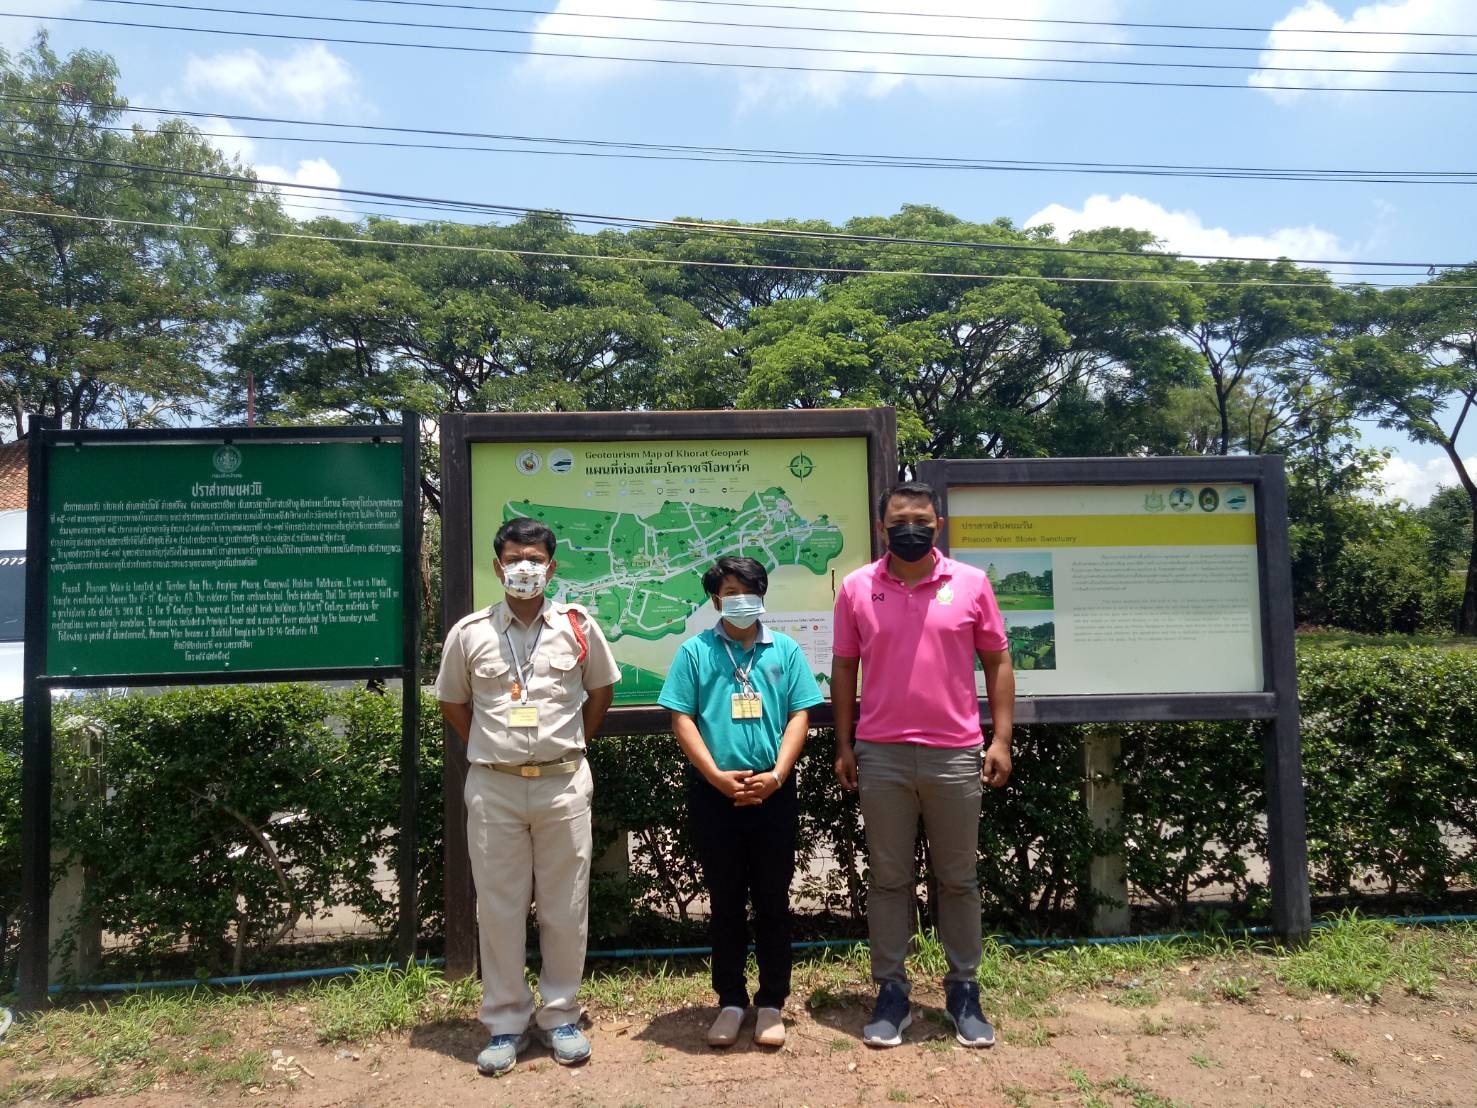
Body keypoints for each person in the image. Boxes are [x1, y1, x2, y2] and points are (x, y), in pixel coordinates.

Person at [831, 481, 1016, 1050]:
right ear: (882, 527)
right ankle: (892, 991)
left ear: (939, 524)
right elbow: (843, 668)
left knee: (957, 880)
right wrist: (844, 744)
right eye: (899, 520)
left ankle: (964, 990)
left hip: (955, 753)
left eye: (921, 519)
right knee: (889, 880)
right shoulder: (858, 588)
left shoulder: (972, 584)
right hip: (880, 755)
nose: (910, 527)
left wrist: (1001, 738)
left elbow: (998, 659)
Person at [435, 517, 620, 1077]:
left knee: (566, 907)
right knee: (499, 907)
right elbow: (453, 703)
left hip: (563, 782)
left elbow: (600, 691)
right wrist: (496, 753)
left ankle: (561, 1014)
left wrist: (567, 747)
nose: (524, 567)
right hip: (494, 786)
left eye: (535, 558)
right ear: (497, 566)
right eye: (514, 557)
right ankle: (506, 1022)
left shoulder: (577, 625)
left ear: (552, 566)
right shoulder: (469, 633)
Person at [657, 556, 823, 1049]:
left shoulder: (786, 650)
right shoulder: (694, 653)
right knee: (726, 901)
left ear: (763, 594)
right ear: (714, 599)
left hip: (774, 792)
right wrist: (715, 777)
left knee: (773, 899)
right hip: (715, 794)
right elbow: (682, 718)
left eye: (750, 590)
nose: (741, 599)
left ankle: (771, 1002)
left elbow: (799, 716)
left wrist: (777, 775)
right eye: (731, 591)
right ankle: (730, 1000)